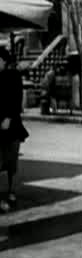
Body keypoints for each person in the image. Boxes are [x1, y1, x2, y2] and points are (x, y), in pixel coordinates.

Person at [0, 47, 29, 213]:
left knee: (12, 161)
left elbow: (16, 99)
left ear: (4, 60)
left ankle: (11, 190)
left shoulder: (13, 76)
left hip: (12, 125)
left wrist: (9, 118)